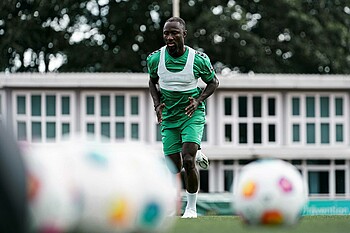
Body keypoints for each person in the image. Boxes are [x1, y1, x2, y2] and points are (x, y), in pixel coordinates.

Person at [147, 16, 219, 218]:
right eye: (166, 33)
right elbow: (152, 82)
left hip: (191, 113)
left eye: (174, 33)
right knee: (174, 167)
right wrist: (156, 103)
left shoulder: (198, 59)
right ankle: (196, 151)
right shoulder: (154, 59)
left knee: (188, 159)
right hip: (169, 117)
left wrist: (199, 100)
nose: (169, 37)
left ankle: (191, 208)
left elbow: (214, 82)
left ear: (184, 35)